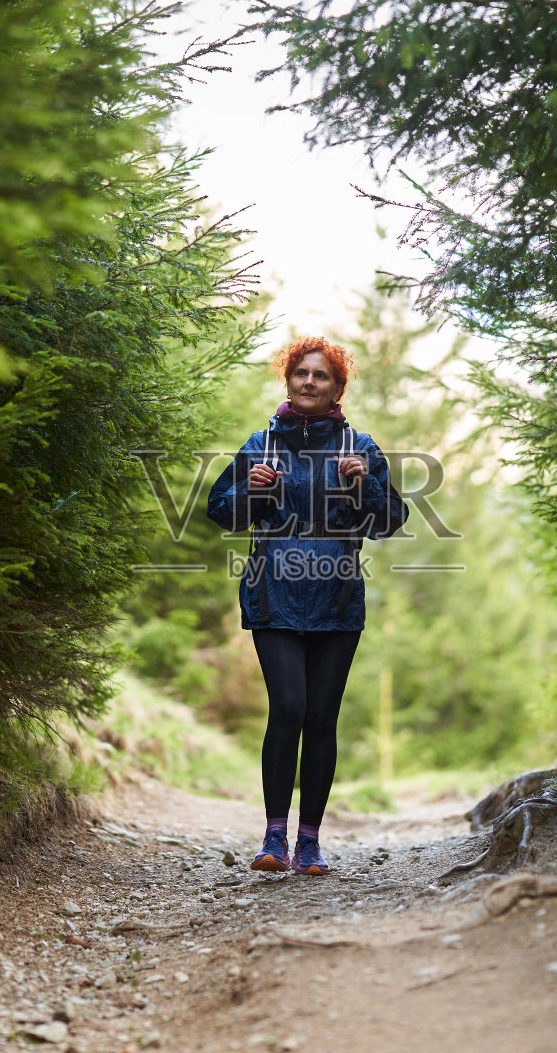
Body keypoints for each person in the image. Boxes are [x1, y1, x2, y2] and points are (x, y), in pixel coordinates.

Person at [207, 337, 407, 875]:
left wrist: (364, 485)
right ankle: (274, 839)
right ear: (288, 381)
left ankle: (310, 843)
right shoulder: (261, 444)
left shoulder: (360, 447)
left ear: (338, 387)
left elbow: (390, 521)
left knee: (321, 718)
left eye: (321, 375)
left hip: (337, 599)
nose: (310, 382)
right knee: (289, 709)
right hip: (273, 595)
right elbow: (222, 513)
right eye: (301, 373)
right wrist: (249, 490)